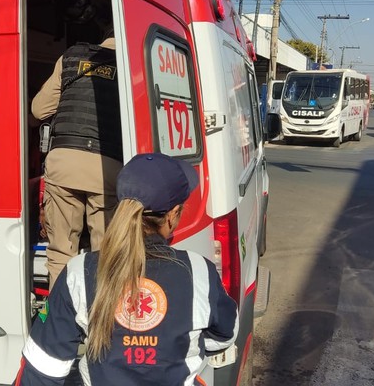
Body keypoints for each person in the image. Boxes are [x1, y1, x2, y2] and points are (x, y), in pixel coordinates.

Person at [15, 153, 239, 386]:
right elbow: (225, 335)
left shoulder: (80, 271)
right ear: (172, 215)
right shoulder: (198, 271)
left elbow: (42, 369)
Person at [32, 29, 123, 287]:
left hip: (63, 163)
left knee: (61, 250)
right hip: (107, 168)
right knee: (106, 254)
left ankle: (63, 317)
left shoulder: (70, 58)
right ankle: (100, 318)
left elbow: (39, 110)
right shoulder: (131, 63)